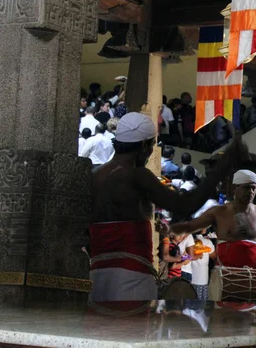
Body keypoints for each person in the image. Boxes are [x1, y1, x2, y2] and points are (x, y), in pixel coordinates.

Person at [88, 112, 247, 301]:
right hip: (131, 277)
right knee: (130, 330)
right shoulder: (137, 174)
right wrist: (223, 166)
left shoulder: (95, 175)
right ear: (144, 146)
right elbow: (184, 206)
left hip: (96, 275)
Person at [169, 170, 256, 270]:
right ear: (235, 188)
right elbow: (191, 226)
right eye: (247, 188)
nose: (251, 192)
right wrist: (169, 229)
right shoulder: (218, 212)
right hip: (225, 275)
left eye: (254, 188)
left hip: (252, 276)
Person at [191, 228, 216, 300]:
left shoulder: (190, 240)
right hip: (202, 278)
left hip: (190, 277)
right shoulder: (207, 242)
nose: (206, 228)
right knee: (201, 302)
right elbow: (214, 257)